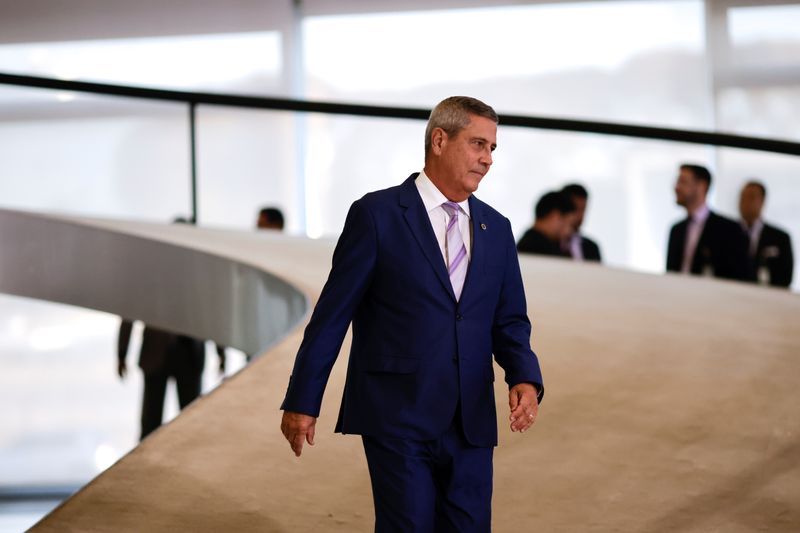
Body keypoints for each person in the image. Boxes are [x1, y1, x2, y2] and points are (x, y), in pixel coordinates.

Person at [279, 96, 543, 532]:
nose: (487, 159)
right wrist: (304, 400)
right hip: (397, 414)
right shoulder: (377, 215)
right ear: (439, 139)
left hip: (472, 419)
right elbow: (332, 316)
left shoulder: (496, 229)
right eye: (478, 144)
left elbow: (510, 320)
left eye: (492, 149)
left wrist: (525, 377)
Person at [117, 217, 226, 440]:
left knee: (190, 420)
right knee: (151, 422)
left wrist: (221, 351)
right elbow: (130, 312)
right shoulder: (150, 274)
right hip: (157, 354)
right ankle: (146, 470)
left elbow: (212, 314)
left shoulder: (200, 273)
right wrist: (121, 353)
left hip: (189, 353)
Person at [666, 164, 748, 281]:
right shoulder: (676, 230)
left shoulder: (728, 230)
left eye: (682, 182)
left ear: (702, 186)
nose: (676, 187)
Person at [739, 180, 794, 288]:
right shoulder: (728, 232)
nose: (745, 202)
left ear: (763, 201)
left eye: (751, 197)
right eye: (742, 197)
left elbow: (785, 278)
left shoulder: (780, 238)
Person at [516, 190, 575, 257]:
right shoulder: (537, 248)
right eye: (569, 224)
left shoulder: (525, 244)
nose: (569, 231)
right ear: (555, 216)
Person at [560, 183, 602, 262]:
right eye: (574, 209)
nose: (578, 215)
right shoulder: (548, 244)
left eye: (583, 209)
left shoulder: (591, 247)